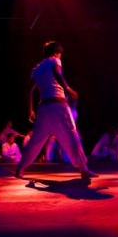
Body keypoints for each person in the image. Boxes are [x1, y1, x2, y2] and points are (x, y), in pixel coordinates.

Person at [14, 40, 98, 180]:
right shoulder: (54, 61)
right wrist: (68, 89)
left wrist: (30, 110)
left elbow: (29, 90)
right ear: (56, 53)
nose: (60, 56)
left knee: (36, 140)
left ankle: (20, 169)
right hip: (58, 106)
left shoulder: (37, 69)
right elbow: (58, 74)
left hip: (43, 108)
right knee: (72, 135)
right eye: (60, 54)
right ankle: (83, 169)